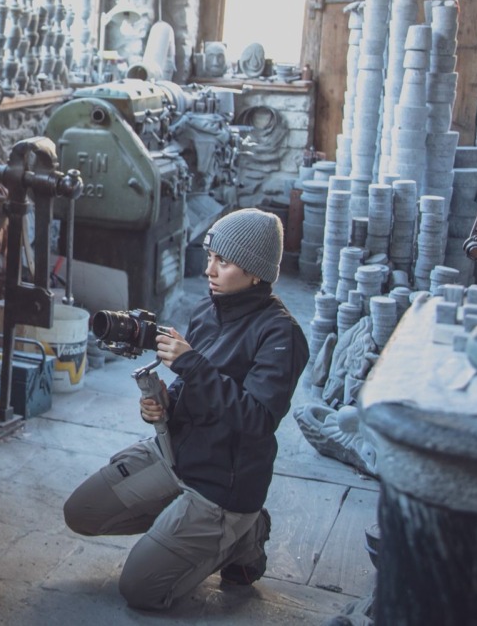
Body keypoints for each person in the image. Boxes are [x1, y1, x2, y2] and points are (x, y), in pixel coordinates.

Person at [63, 208, 308, 610]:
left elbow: (258, 420)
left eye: (223, 262)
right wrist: (164, 404)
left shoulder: (280, 335)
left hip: (221, 486)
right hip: (176, 455)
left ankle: (244, 535)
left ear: (256, 274)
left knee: (141, 590)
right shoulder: (208, 309)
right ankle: (183, 526)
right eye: (210, 256)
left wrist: (192, 363)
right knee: (81, 512)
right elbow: (191, 388)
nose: (209, 270)